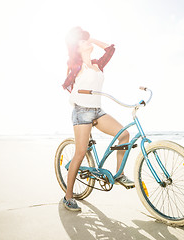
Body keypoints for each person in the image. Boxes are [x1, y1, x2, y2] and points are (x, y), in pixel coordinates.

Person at [61, 27, 134, 211]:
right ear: (77, 49)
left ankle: (119, 175)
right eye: (83, 43)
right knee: (80, 152)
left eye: (87, 42)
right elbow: (67, 82)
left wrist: (89, 38)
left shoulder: (97, 64)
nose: (88, 44)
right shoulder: (77, 67)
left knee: (124, 134)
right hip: (82, 111)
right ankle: (68, 196)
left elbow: (110, 49)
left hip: (97, 111)